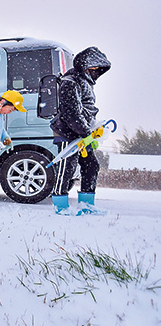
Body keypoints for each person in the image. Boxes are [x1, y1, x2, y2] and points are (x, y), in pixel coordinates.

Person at [50, 46, 111, 215]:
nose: (96, 73)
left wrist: (94, 129)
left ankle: (86, 205)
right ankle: (59, 206)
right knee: (66, 168)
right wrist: (86, 132)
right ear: (85, 66)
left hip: (84, 133)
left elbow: (86, 109)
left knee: (91, 165)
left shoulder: (85, 82)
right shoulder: (70, 82)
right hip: (67, 133)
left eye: (98, 70)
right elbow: (72, 113)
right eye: (94, 69)